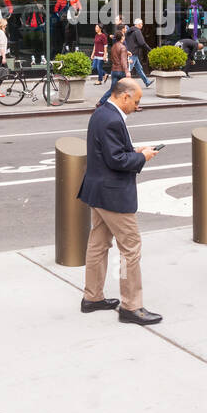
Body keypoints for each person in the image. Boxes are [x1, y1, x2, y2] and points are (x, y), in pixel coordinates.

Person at [77, 78, 162, 325]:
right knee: (130, 248)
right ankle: (131, 306)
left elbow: (110, 152)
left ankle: (92, 297)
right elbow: (117, 161)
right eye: (135, 102)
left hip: (97, 191)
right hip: (113, 194)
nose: (136, 106)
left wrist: (135, 151)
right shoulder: (113, 120)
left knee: (98, 244)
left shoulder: (101, 113)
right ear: (124, 97)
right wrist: (142, 158)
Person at [96, 32, 131, 108]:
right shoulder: (123, 47)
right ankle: (131, 105)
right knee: (127, 89)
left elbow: (115, 58)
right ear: (122, 37)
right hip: (121, 71)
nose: (124, 37)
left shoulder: (113, 47)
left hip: (114, 71)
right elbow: (123, 61)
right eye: (123, 36)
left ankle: (101, 102)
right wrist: (127, 71)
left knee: (112, 89)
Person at [125, 19, 153, 87]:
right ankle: (122, 84)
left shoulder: (129, 31)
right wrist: (150, 49)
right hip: (133, 52)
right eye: (142, 24)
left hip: (130, 51)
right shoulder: (137, 31)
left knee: (139, 68)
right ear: (139, 24)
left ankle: (147, 82)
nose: (142, 25)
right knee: (128, 70)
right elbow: (142, 43)